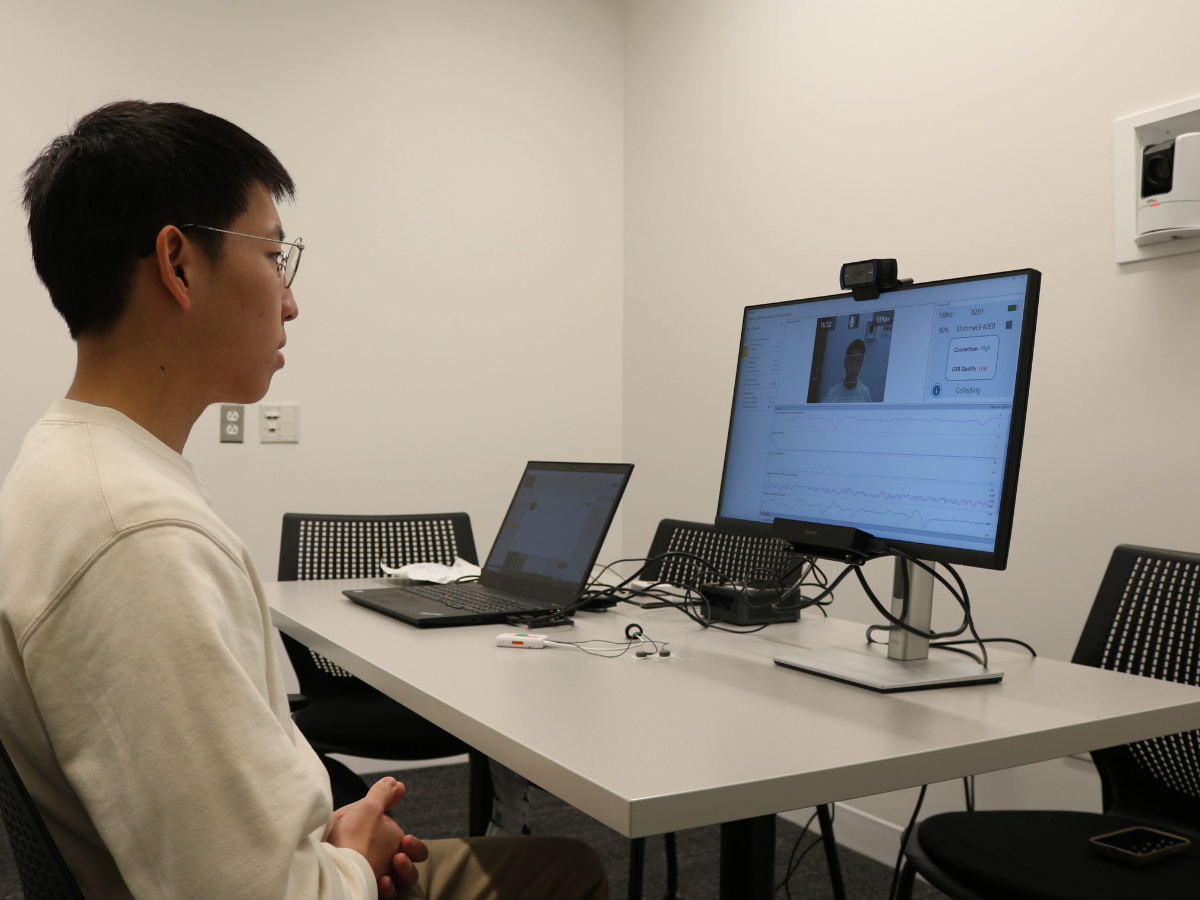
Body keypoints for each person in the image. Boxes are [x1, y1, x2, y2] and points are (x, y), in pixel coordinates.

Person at [0, 101, 607, 900]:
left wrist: (335, 828)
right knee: (567, 871)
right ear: (178, 265)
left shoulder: (72, 463)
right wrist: (352, 856)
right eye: (275, 258)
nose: (290, 303)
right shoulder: (136, 535)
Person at [822, 338, 871, 402]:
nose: (854, 367)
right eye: (851, 361)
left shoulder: (865, 392)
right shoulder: (832, 393)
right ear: (845, 363)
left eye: (858, 361)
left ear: (862, 364)